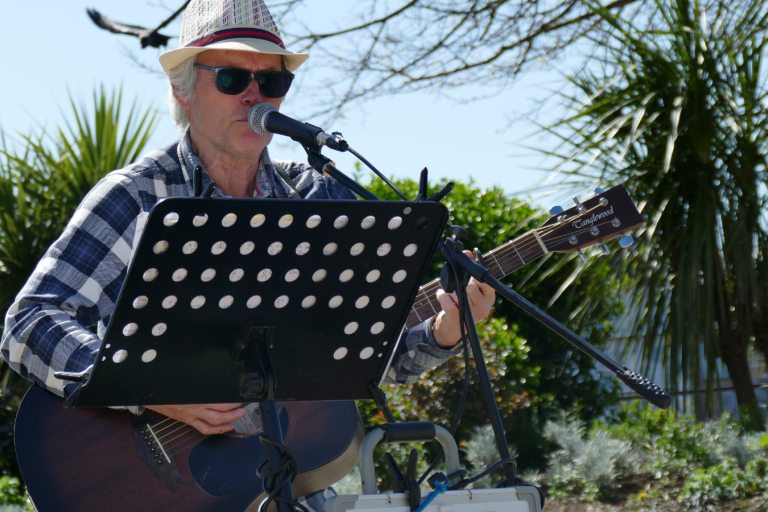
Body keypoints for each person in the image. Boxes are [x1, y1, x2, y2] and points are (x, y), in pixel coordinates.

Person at [1, 0, 494, 508]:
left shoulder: (316, 198)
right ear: (182, 89)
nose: (255, 96)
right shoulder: (137, 197)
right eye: (234, 79)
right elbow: (27, 323)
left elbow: (356, 356)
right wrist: (149, 389)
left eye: (272, 82)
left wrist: (445, 330)